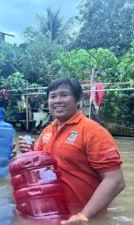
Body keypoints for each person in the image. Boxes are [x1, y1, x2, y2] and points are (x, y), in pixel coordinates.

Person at [18, 77, 125, 224]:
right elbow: (40, 171)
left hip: (85, 217)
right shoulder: (47, 131)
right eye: (52, 96)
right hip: (52, 213)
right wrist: (27, 155)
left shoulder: (94, 132)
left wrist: (83, 216)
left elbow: (115, 181)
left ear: (77, 99)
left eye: (64, 95)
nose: (57, 100)